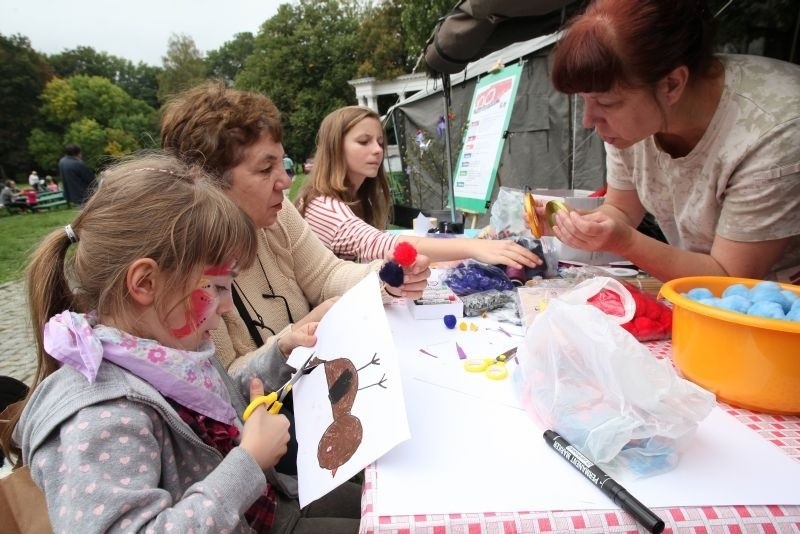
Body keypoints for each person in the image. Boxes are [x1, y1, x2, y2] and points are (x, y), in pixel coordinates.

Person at [0, 154, 361, 532]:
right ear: (144, 283)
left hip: (273, 505)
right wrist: (249, 462)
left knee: (381, 505)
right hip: (253, 513)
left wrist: (280, 352)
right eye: (218, 287)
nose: (225, 307)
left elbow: (208, 409)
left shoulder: (166, 350)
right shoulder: (98, 417)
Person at [160, 82, 430, 399]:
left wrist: (385, 278)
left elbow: (325, 274)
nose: (286, 181)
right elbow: (226, 386)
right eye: (265, 168)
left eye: (283, 164)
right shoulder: (184, 270)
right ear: (205, 180)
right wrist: (297, 337)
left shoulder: (278, 213)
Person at [529, 0, 800, 282]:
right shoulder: (633, 119)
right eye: (584, 101)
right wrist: (579, 224)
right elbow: (621, 210)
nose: (588, 120)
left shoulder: (774, 131)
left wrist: (626, 242)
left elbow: (729, 280)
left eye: (606, 103)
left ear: (672, 84)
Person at [295, 106, 543, 268]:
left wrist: (453, 259)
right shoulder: (324, 207)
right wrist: (473, 246)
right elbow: (379, 245)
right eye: (364, 141)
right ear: (334, 147)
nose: (378, 150)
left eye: (380, 141)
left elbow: (377, 260)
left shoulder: (358, 198)